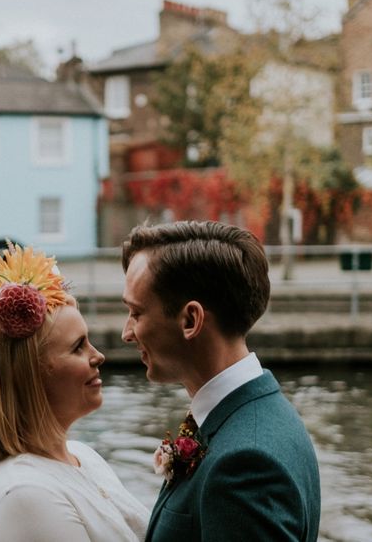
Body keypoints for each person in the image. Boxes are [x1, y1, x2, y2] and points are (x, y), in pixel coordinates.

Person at [121, 220, 320, 542]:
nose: (126, 333)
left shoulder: (245, 465)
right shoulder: (255, 417)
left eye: (136, 313)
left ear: (191, 320)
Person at [0, 243, 149, 542]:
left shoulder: (83, 456)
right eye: (78, 347)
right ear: (27, 377)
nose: (98, 356)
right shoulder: (26, 495)